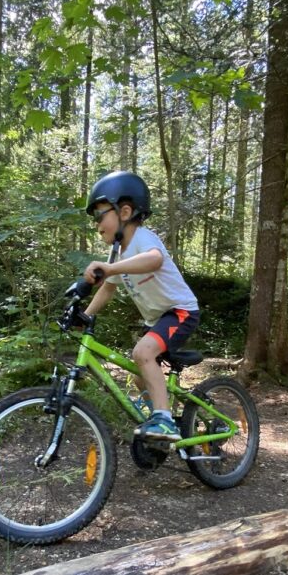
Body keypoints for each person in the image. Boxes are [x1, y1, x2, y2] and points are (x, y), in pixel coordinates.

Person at [82, 171, 200, 441]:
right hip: (158, 318)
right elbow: (108, 289)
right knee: (139, 376)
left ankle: (164, 419)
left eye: (100, 215)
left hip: (180, 311)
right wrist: (85, 315)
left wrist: (110, 268)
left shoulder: (142, 239)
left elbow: (154, 260)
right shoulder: (118, 254)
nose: (97, 225)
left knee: (142, 352)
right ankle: (160, 422)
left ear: (124, 211)